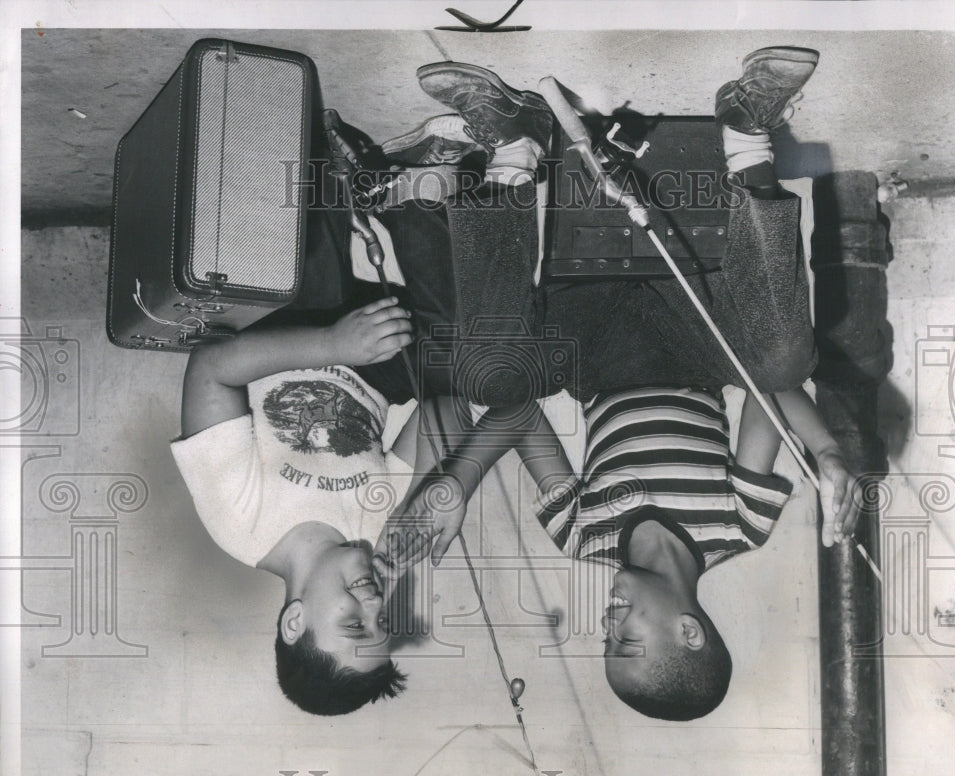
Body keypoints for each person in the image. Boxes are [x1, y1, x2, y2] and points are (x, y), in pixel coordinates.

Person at [382, 47, 862, 721]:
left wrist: (457, 482)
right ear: (688, 630)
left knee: (491, 377)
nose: (608, 621)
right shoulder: (740, 527)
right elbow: (766, 394)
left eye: (605, 638)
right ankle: (748, 133)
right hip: (694, 344)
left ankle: (513, 143)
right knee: (784, 362)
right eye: (626, 637)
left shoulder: (581, 538)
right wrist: (829, 453)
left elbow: (519, 417)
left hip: (594, 351)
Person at [170, 64, 557, 716]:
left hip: (281, 329)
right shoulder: (379, 543)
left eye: (353, 623)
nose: (375, 604)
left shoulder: (240, 524)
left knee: (288, 184)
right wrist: (449, 487)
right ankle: (461, 169)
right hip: (373, 355)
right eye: (382, 624)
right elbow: (444, 409)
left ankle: (405, 185)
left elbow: (211, 368)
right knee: (497, 367)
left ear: (295, 622)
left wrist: (331, 347)